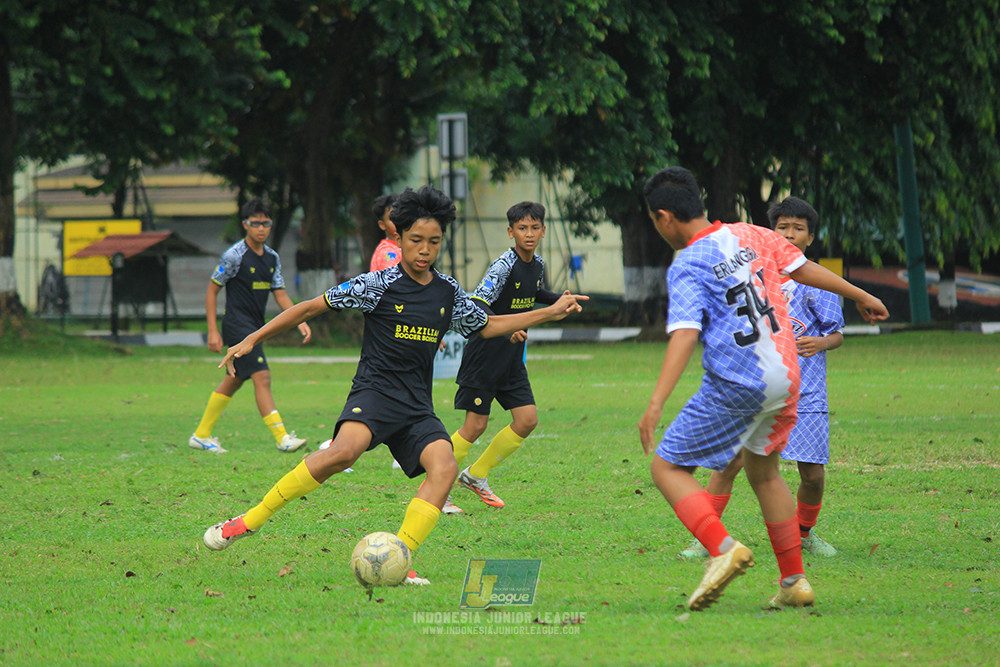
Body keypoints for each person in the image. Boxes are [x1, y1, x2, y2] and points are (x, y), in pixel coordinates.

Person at [202, 185, 588, 586]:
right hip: (374, 393)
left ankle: (400, 556)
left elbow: (487, 325)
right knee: (343, 453)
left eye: (434, 242)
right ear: (399, 238)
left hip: (417, 406)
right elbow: (310, 307)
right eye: (416, 240)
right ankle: (246, 522)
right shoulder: (377, 284)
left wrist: (547, 313)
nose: (425, 249)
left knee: (444, 466)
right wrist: (251, 339)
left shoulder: (448, 292)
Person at [637, 167, 888, 611]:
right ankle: (794, 581)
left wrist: (655, 403)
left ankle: (721, 549)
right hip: (788, 377)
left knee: (666, 468)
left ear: (664, 217)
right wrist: (860, 294)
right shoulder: (752, 233)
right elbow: (804, 268)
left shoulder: (689, 263)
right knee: (765, 473)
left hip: (738, 381)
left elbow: (683, 334)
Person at [679, 196, 845, 561]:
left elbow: (837, 334)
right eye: (782, 227)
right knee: (730, 462)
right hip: (756, 388)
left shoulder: (818, 281)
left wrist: (821, 342)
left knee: (813, 476)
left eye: (798, 228)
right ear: (771, 231)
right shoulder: (753, 272)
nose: (789, 234)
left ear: (810, 237)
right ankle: (704, 538)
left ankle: (804, 533)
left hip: (807, 392)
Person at [450, 201, 561, 510]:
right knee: (474, 427)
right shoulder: (503, 264)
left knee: (527, 420)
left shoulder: (536, 264)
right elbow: (478, 302)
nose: (529, 234)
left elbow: (533, 293)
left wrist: (560, 301)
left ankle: (476, 475)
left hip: (512, 359)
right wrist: (505, 328)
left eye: (534, 228)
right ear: (510, 232)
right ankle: (436, 486)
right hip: (485, 354)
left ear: (543, 230)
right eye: (522, 228)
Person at [188, 198, 310, 454]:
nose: (261, 228)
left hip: (255, 327)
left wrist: (299, 319)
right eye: (256, 224)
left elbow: (280, 294)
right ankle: (282, 437)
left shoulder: (272, 258)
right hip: (237, 326)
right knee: (262, 376)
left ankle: (201, 435)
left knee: (233, 379)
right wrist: (212, 330)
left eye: (266, 223)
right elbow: (212, 291)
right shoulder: (234, 256)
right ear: (245, 225)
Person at [369, 193, 401, 272]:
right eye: (392, 218)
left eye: (401, 216)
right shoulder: (388, 252)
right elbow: (393, 281)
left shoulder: (403, 247)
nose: (399, 221)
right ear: (382, 225)